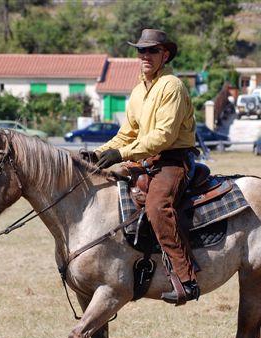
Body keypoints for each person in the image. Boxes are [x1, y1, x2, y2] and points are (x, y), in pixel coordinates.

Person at [82, 29, 199, 304]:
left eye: (152, 51)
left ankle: (187, 279)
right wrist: (98, 154)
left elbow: (163, 136)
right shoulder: (137, 92)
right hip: (147, 159)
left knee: (157, 206)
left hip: (172, 160)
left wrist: (121, 154)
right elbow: (127, 133)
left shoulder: (171, 86)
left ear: (165, 55)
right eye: (141, 50)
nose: (145, 56)